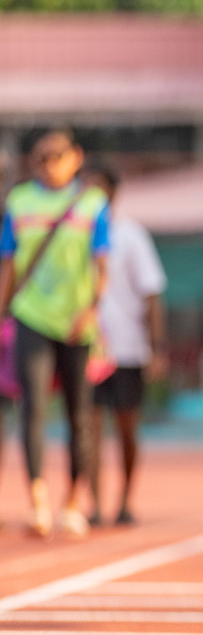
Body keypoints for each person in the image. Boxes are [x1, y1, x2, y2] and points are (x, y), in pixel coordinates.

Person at [0, 129, 110, 538]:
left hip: (76, 322)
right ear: (32, 163)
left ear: (76, 157)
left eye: (57, 155)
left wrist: (92, 310)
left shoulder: (93, 204)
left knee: (79, 414)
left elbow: (102, 267)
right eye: (41, 156)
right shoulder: (19, 202)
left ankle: (71, 503)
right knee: (33, 408)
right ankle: (38, 502)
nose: (49, 163)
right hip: (31, 316)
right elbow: (8, 265)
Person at [82, 161, 167, 527]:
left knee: (127, 428)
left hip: (128, 349)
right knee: (90, 427)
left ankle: (125, 500)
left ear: (113, 193)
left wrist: (157, 347)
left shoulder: (132, 236)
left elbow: (151, 295)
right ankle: (95, 504)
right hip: (86, 348)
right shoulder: (74, 235)